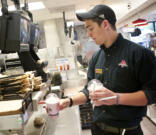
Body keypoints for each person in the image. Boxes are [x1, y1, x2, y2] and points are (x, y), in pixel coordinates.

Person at [58, 4, 156, 135]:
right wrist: (68, 101)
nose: (88, 34)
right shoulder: (96, 58)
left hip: (127, 132)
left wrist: (116, 98)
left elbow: (152, 93)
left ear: (105, 24)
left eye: (91, 28)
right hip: (98, 129)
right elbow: (88, 91)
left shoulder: (139, 54)